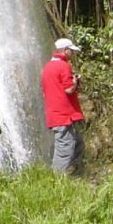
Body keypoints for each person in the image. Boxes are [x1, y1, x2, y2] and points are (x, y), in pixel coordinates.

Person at [41, 38, 84, 174]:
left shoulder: (47, 67)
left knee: (78, 144)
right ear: (65, 51)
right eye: (71, 51)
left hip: (54, 113)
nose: (72, 54)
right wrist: (76, 81)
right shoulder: (64, 66)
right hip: (64, 115)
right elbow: (69, 89)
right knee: (64, 149)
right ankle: (57, 179)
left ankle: (73, 175)